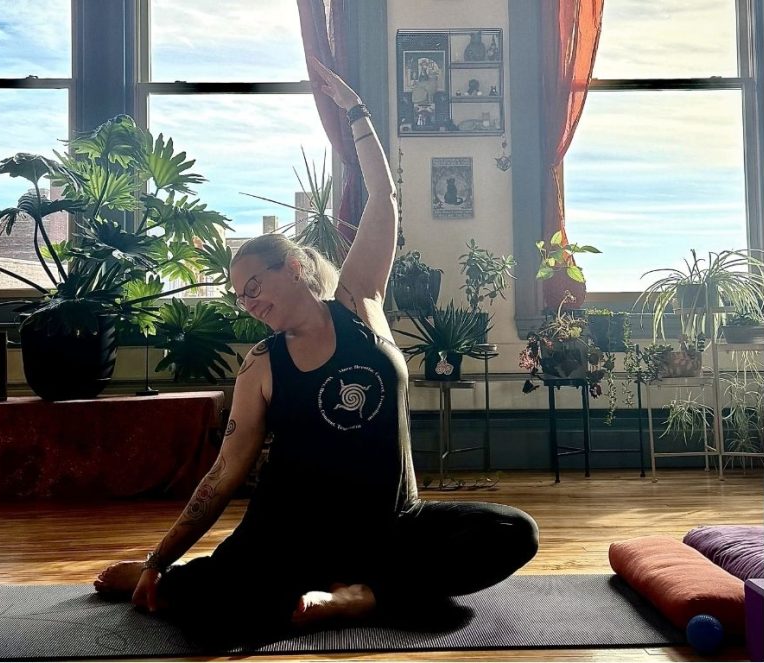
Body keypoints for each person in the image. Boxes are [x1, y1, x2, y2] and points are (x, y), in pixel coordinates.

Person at [93, 56, 538, 643]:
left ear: (296, 267)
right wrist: (158, 556)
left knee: (513, 533)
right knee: (216, 618)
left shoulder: (360, 301)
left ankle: (358, 598)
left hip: (390, 524)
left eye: (255, 286)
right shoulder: (261, 367)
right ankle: (165, 578)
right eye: (238, 297)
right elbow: (223, 476)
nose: (248, 303)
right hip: (289, 535)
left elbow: (382, 196)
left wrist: (356, 113)